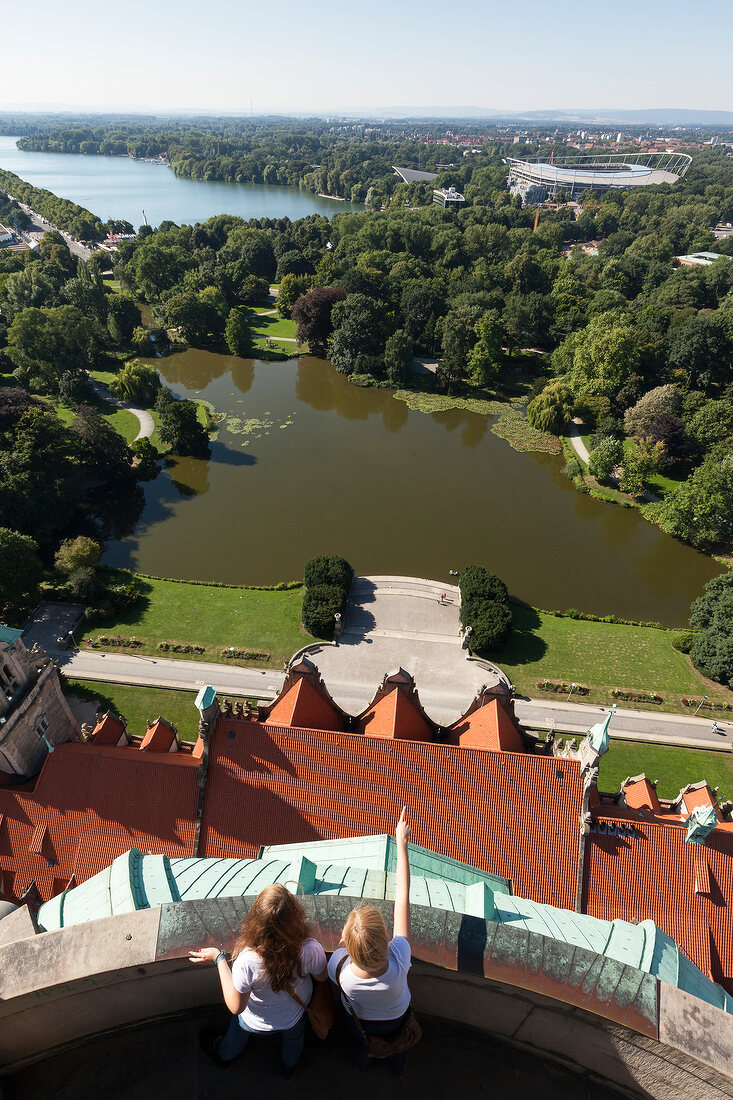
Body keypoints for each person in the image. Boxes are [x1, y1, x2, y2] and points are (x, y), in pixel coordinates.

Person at [189, 883, 328, 1078]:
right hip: (295, 1014)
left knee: (237, 1032)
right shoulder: (311, 948)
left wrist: (219, 959)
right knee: (294, 1038)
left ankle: (224, 1057)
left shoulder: (247, 961)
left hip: (256, 1021)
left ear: (256, 921)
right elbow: (321, 977)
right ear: (295, 918)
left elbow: (236, 1007)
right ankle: (289, 1069)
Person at [328, 807, 413, 1076]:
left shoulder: (339, 969)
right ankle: (397, 1068)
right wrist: (401, 844)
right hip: (397, 1017)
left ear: (347, 946)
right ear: (386, 938)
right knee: (399, 1043)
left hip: (361, 1022)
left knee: (363, 1045)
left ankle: (364, 1065)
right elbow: (403, 896)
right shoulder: (399, 958)